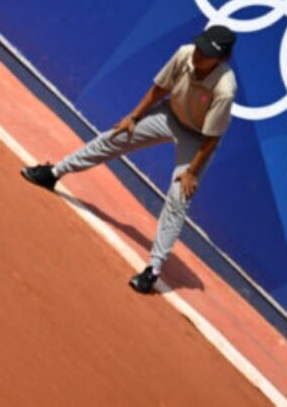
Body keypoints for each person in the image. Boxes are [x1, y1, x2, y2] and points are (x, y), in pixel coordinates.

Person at [21, 25, 237, 294]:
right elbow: (160, 88)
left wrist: (192, 172)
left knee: (179, 196)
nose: (199, 55)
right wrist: (133, 117)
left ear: (222, 59)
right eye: (200, 48)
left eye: (206, 54)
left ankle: (153, 271)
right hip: (169, 115)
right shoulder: (185, 53)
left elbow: (213, 137)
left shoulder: (225, 89)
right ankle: (53, 173)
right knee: (114, 137)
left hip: (198, 139)